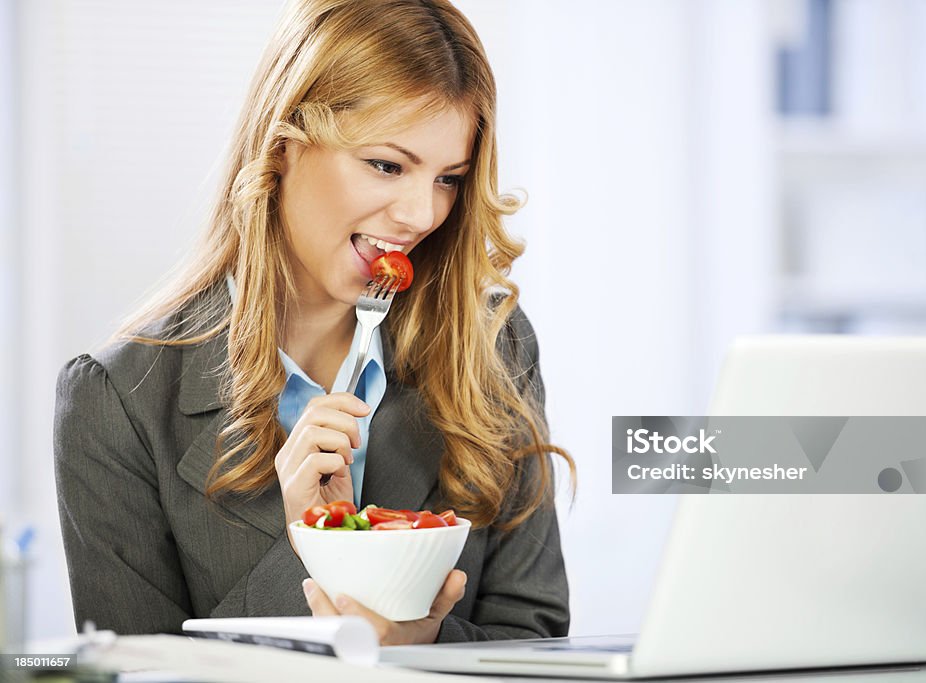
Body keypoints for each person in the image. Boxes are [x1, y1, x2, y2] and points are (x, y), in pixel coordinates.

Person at [53, 0, 574, 645]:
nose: (420, 214)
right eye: (387, 165)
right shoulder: (115, 400)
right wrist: (312, 549)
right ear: (282, 147)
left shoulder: (493, 343)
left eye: (448, 178)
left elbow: (536, 635)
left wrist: (420, 647)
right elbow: (139, 672)